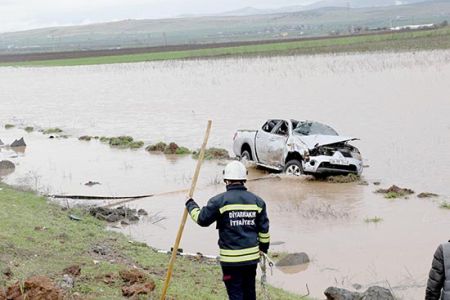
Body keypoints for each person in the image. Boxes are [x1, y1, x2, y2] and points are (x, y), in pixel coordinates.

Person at [185, 161, 270, 300]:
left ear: (226, 179)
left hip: (230, 263)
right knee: (249, 293)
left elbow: (201, 219)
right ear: (244, 178)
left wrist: (190, 204)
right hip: (251, 261)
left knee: (235, 294)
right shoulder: (258, 202)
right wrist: (263, 249)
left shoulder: (219, 201)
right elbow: (264, 232)